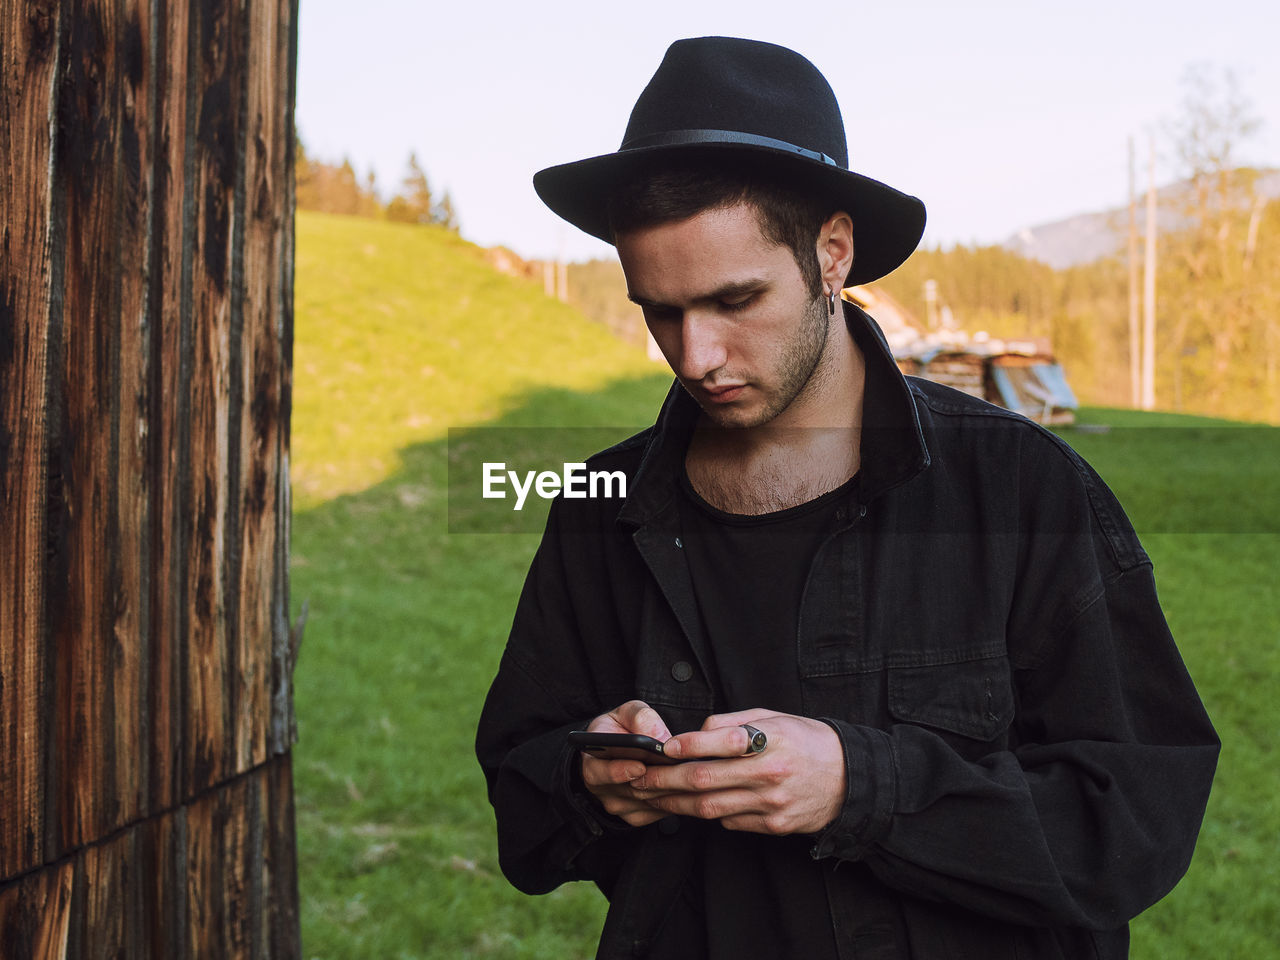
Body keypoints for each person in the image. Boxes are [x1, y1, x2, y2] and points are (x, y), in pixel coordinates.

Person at [475, 36, 1218, 960]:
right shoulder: (599, 506)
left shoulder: (1021, 490)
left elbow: (1137, 824)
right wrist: (594, 776)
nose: (695, 354)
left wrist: (860, 786)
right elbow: (521, 801)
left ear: (832, 254)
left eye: (735, 300)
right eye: (659, 311)